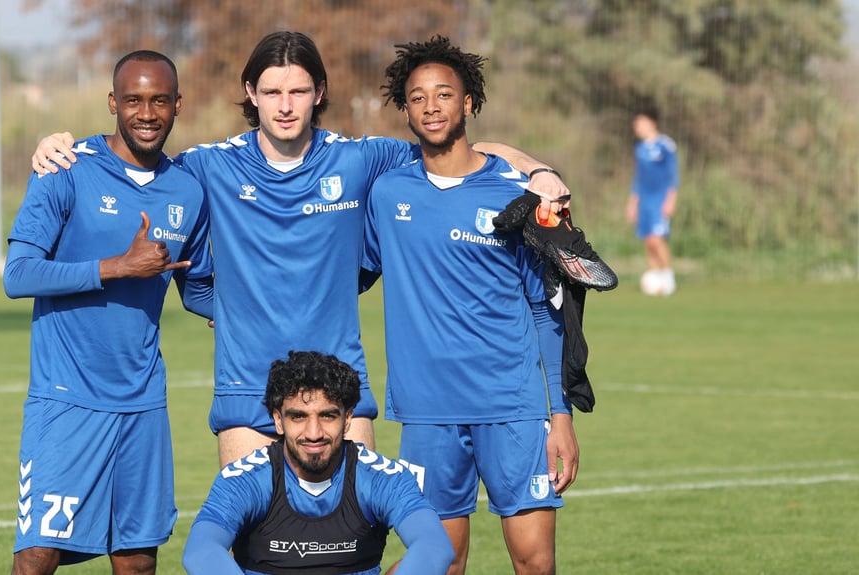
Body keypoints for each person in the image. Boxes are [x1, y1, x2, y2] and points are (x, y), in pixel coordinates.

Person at [31, 31, 571, 467]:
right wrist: (60, 145)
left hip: (341, 388)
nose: (285, 106)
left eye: (297, 92)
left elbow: (454, 146)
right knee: (253, 550)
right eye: (272, 92)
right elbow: (134, 166)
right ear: (251, 93)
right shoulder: (210, 167)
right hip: (247, 391)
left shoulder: (359, 160)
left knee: (353, 549)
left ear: (319, 92)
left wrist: (538, 170)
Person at [362, 36, 579, 575]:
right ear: (405, 109)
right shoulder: (387, 193)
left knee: (535, 564)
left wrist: (560, 416)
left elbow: (545, 310)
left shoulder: (515, 195)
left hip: (511, 404)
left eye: (443, 94)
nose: (431, 106)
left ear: (468, 102)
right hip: (426, 411)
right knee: (441, 561)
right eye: (417, 97)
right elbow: (348, 277)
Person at [2, 50, 212, 575]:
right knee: (37, 556)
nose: (147, 113)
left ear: (178, 105)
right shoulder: (65, 168)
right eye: (134, 100)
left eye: (159, 100)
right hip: (67, 398)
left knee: (138, 559)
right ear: (113, 103)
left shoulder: (188, 190)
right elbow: (18, 274)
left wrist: (269, 308)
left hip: (144, 403)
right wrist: (117, 267)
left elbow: (199, 292)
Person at [182, 350, 453, 575]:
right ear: (278, 420)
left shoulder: (381, 477)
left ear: (347, 419)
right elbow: (201, 551)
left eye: (327, 416)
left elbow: (433, 546)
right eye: (298, 417)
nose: (313, 433)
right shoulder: (247, 479)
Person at [626, 105, 679, 296]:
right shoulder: (640, 149)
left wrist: (671, 200)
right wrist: (632, 204)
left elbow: (673, 175)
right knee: (648, 241)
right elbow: (638, 180)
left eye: (640, 123)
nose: (637, 127)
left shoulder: (665, 145)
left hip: (659, 199)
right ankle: (656, 278)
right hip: (645, 202)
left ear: (652, 123)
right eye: (636, 124)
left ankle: (668, 277)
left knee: (657, 240)